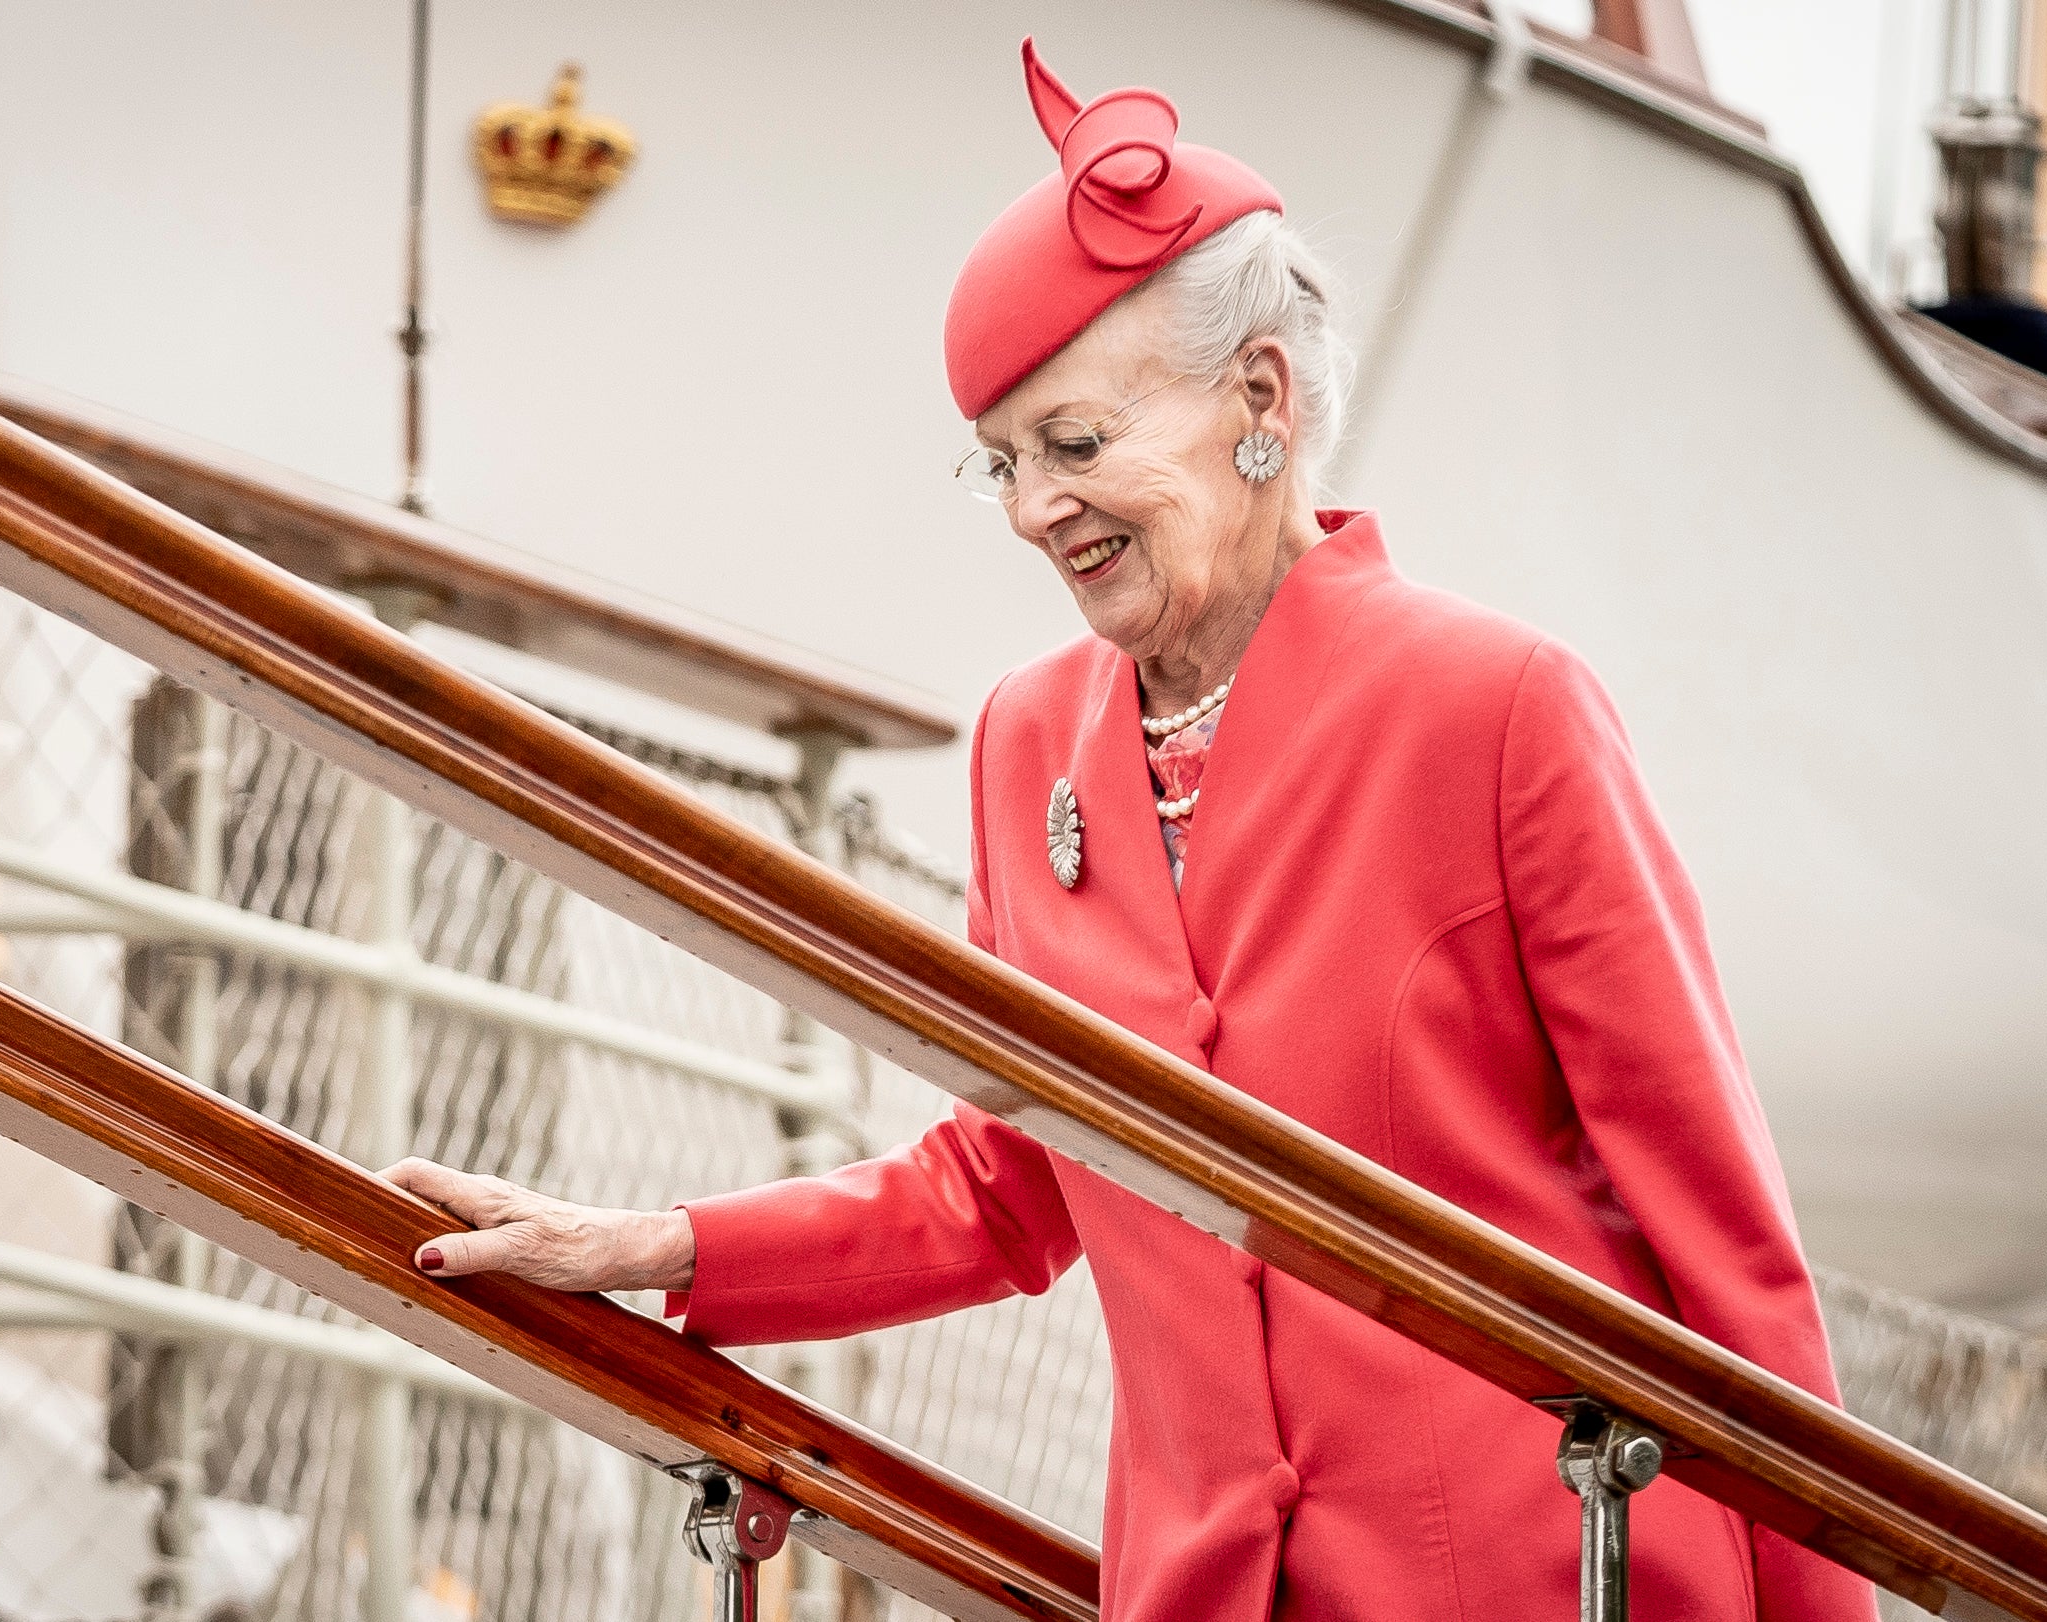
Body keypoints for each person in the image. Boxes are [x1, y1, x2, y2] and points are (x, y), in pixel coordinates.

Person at [384, 39, 1874, 1622]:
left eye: (1079, 444)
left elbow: (1717, 1229)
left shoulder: (1496, 706)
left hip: (1536, 1577)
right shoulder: (1028, 742)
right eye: (1005, 460)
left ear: (1258, 398)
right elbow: (1011, 1183)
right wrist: (661, 1243)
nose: (1037, 508)